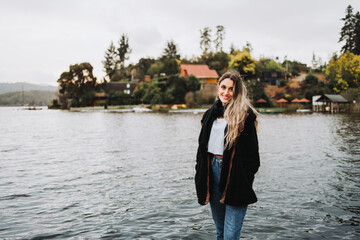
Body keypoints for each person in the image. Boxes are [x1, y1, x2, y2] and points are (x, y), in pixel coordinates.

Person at [195, 71, 260, 240]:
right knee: (220, 232)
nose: (226, 92)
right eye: (223, 87)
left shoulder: (244, 117)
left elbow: (253, 158)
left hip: (236, 177)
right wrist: (200, 171)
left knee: (231, 235)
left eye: (231, 89)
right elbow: (201, 151)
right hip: (212, 172)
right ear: (218, 87)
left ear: (237, 92)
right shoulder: (209, 115)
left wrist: (243, 177)